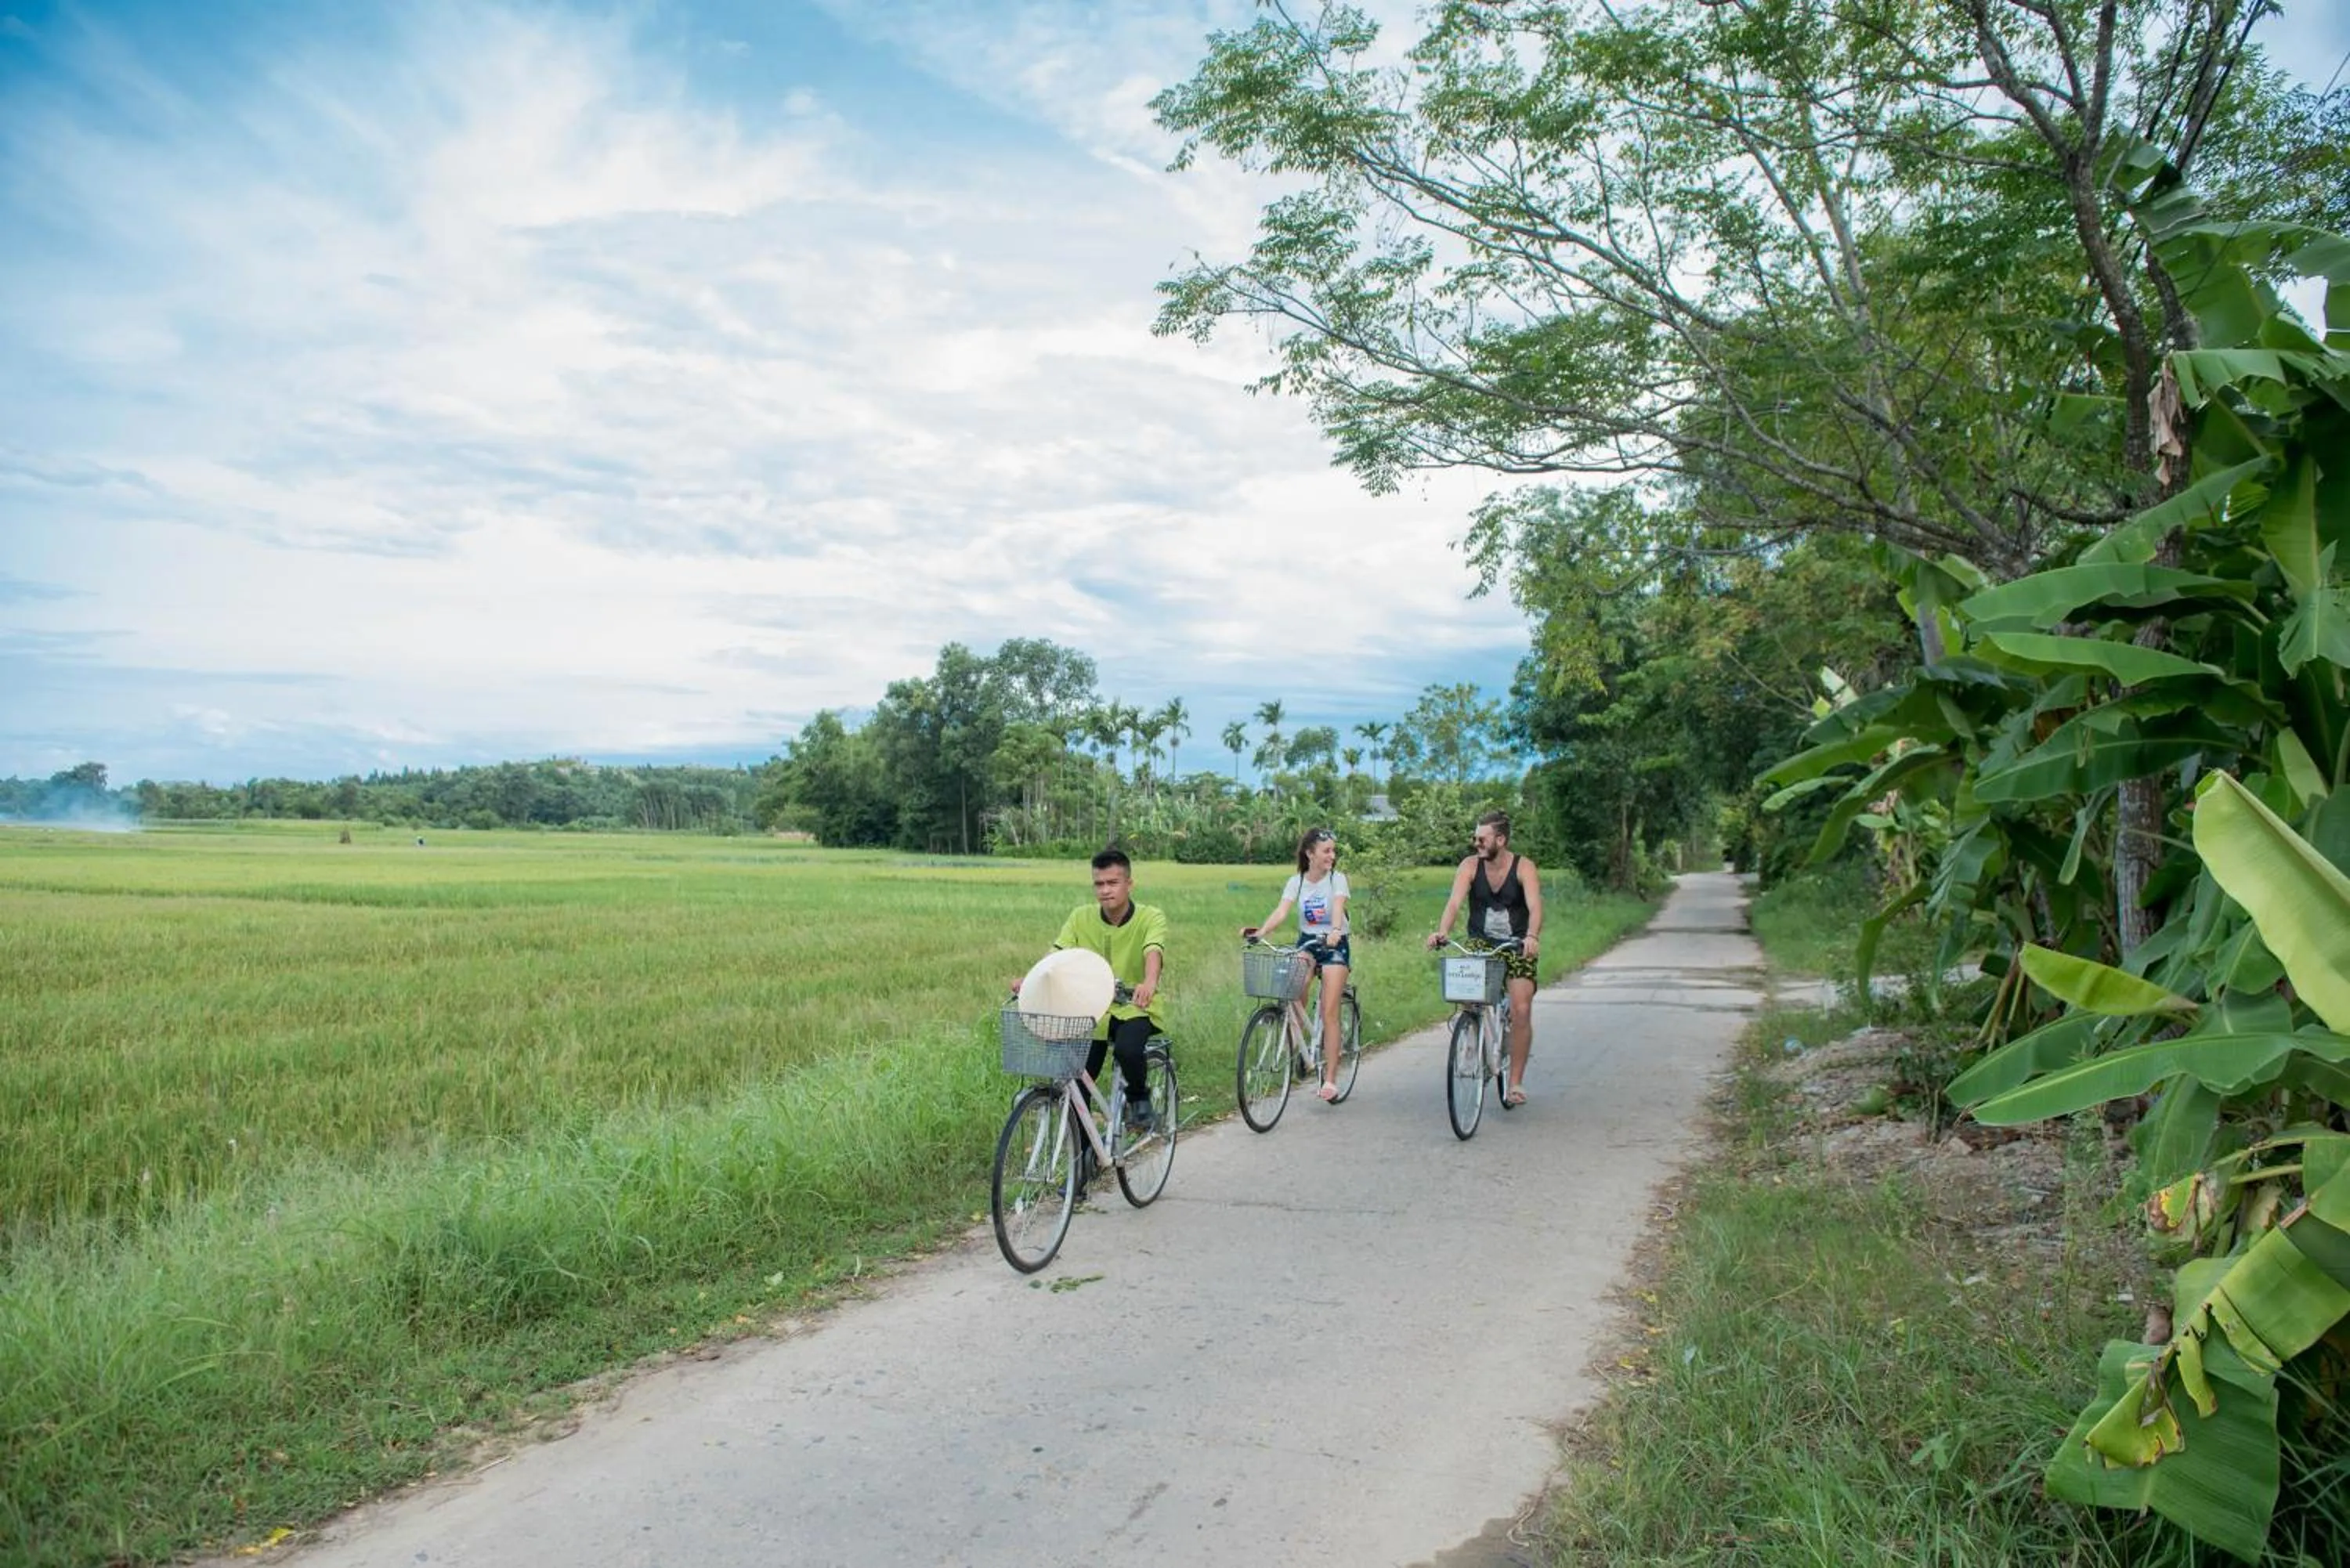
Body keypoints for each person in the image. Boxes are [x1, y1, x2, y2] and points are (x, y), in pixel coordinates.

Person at [1018, 847, 1168, 1156]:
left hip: (1134, 1006)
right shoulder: (1080, 917)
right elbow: (1057, 952)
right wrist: (1032, 978)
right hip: (1090, 1010)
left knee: (1128, 1049)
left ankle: (1140, 1099)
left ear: (1129, 884)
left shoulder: (1150, 916)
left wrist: (1149, 982)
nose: (1105, 890)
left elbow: (1153, 950)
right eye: (1099, 884)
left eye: (1113, 883)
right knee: (1077, 1083)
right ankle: (1083, 1166)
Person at [1425, 810, 1543, 1106]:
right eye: (1475, 837)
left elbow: (1535, 906)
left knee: (1521, 1008)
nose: (1476, 843)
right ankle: (1470, 1039)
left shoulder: (1523, 867)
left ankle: (1515, 1082)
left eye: (1482, 838)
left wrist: (1532, 936)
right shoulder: (1469, 866)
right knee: (1468, 995)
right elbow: (1454, 903)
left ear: (1500, 840)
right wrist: (1442, 932)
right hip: (1480, 941)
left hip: (1517, 943)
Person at [1240, 826, 1350, 1102]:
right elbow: (1282, 911)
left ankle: (1332, 1080)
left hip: (1335, 946)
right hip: (1308, 943)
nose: (1332, 856)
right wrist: (1262, 932)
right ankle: (1303, 1052)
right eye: (1326, 851)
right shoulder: (1297, 882)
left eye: (1333, 851)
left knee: (1329, 1012)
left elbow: (1338, 906)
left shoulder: (1337, 880)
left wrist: (1336, 930)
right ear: (1309, 853)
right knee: (1293, 991)